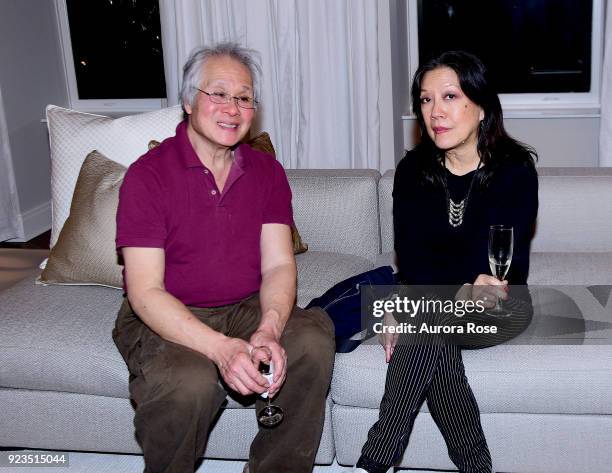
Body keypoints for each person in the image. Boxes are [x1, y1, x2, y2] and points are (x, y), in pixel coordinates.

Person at [112, 42, 335, 473]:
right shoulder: (147, 175)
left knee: (309, 338)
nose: (232, 108)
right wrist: (221, 350)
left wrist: (269, 330)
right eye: (218, 93)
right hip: (167, 310)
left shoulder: (267, 172)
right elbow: (145, 291)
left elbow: (278, 264)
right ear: (188, 101)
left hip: (244, 306)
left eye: (244, 97)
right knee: (189, 383)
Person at [355, 51, 538, 473]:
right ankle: (476, 467)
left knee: (421, 319)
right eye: (425, 99)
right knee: (429, 326)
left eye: (450, 96)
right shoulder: (413, 170)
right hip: (432, 301)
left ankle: (376, 462)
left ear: (481, 105)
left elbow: (507, 270)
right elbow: (415, 263)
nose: (435, 112)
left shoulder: (514, 170)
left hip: (501, 306)